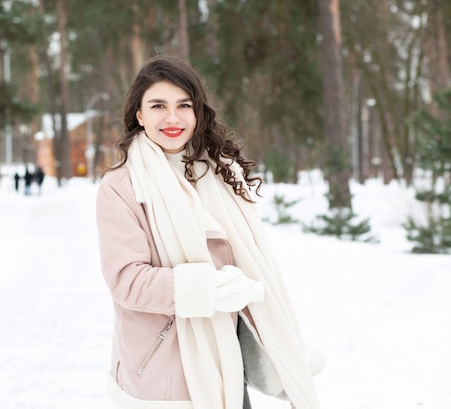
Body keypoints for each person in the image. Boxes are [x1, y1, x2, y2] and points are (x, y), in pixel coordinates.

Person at [95, 55, 322, 409]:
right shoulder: (122, 186)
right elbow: (127, 281)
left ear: (197, 112)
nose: (172, 118)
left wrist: (281, 338)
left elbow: (257, 265)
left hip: (228, 365)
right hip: (167, 374)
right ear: (139, 115)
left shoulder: (220, 174)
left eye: (183, 105)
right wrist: (209, 289)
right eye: (158, 106)